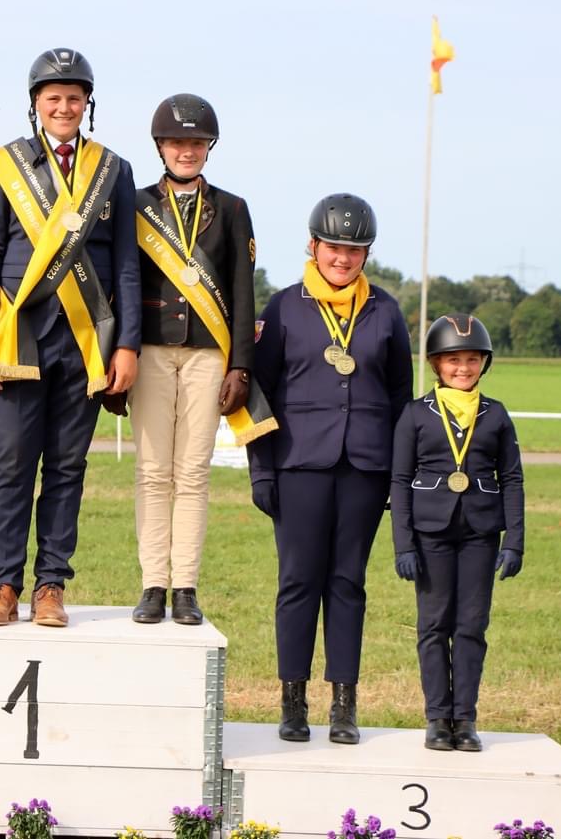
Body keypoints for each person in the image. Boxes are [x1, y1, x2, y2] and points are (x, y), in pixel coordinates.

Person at [0, 48, 140, 628]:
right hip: (20, 336)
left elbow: (125, 266)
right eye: (53, 97)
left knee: (68, 466)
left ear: (88, 103)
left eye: (74, 97)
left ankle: (50, 586)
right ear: (35, 104)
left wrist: (127, 345)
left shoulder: (113, 170)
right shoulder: (2, 167)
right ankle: (2, 585)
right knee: (12, 463)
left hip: (88, 337)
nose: (64, 107)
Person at [247, 193, 412, 743]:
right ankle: (292, 701)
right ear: (313, 246)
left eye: (355, 249)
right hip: (298, 464)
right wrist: (262, 471)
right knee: (297, 582)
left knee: (348, 583)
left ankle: (344, 704)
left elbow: (399, 397)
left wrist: (396, 475)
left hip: (365, 467)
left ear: (366, 253)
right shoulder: (284, 308)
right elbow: (258, 393)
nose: (343, 258)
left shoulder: (386, 311)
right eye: (334, 247)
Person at [123, 94, 273, 626]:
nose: (186, 151)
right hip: (151, 351)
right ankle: (152, 585)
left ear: (208, 148)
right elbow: (126, 282)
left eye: (195, 143)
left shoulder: (233, 209)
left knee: (193, 473)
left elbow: (242, 290)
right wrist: (121, 355)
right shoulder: (135, 204)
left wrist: (241, 365)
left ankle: (185, 584)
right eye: (176, 142)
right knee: (152, 470)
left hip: (210, 354)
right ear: (160, 147)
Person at [391, 313, 524, 752]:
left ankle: (464, 718)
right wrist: (404, 544)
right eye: (452, 360)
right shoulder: (415, 414)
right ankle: (436, 718)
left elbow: (513, 479)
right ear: (435, 364)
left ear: (484, 363)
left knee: (471, 626)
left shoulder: (497, 415)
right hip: (430, 534)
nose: (462, 368)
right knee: (433, 625)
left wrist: (515, 542)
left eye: (471, 360)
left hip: (481, 535)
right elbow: (399, 481)